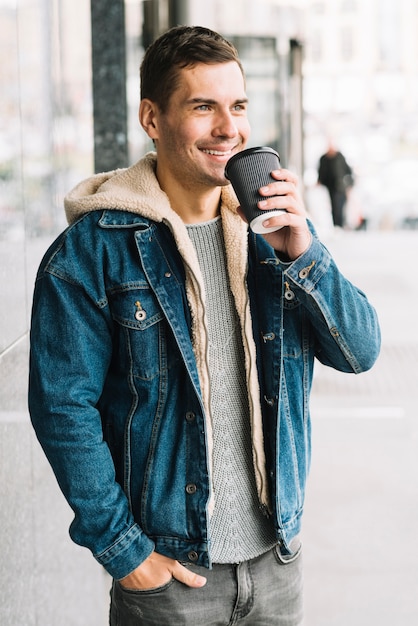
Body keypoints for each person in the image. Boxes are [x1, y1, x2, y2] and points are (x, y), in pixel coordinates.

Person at [28, 25, 380, 626]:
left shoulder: (274, 234)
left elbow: (361, 351)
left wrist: (304, 255)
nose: (229, 129)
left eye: (238, 106)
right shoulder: (94, 250)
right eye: (202, 107)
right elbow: (63, 407)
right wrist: (125, 552)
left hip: (275, 569)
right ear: (152, 117)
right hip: (169, 583)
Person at [317, 142, 354, 228]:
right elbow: (321, 171)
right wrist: (319, 181)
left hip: (340, 186)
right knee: (334, 206)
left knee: (339, 206)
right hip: (330, 187)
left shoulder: (339, 157)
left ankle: (340, 225)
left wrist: (349, 184)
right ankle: (336, 225)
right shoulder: (324, 158)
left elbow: (348, 170)